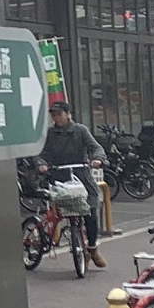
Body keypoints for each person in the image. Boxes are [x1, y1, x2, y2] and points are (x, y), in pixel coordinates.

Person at [40, 99, 105, 268]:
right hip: (59, 177)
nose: (56, 117)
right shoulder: (50, 134)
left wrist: (97, 158)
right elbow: (42, 153)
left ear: (68, 114)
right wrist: (41, 164)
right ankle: (48, 237)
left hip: (81, 176)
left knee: (91, 211)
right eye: (53, 115)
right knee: (56, 212)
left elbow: (95, 147)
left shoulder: (80, 130)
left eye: (59, 114)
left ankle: (92, 248)